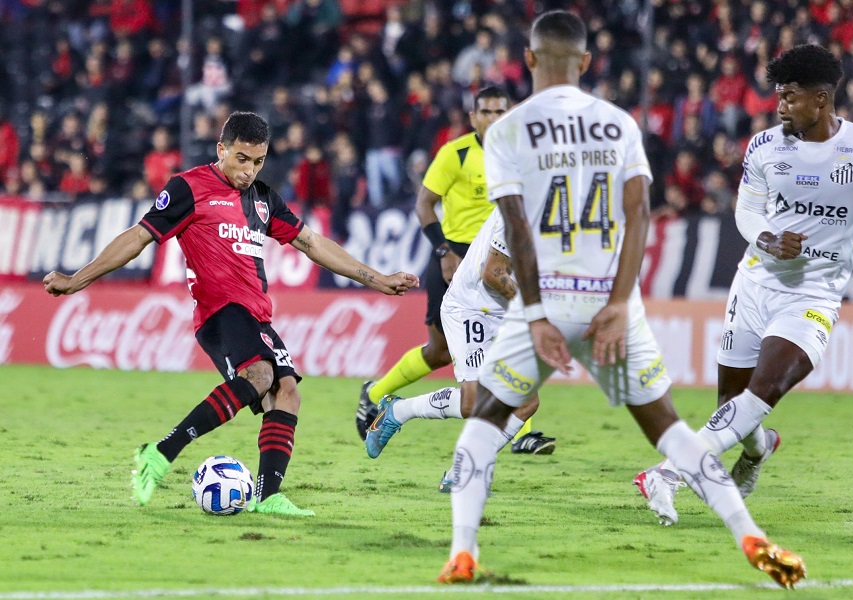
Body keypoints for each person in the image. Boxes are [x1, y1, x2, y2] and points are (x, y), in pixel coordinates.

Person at [435, 12, 806, 589]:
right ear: (585, 63)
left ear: (529, 60)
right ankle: (750, 535)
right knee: (671, 430)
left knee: (483, 424)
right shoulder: (618, 125)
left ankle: (462, 553)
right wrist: (617, 302)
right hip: (611, 298)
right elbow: (638, 217)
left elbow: (516, 236)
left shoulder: (507, 134)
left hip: (549, 296)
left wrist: (535, 315)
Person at [43, 112, 419, 516]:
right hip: (219, 312)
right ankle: (160, 452)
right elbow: (138, 237)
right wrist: (78, 279)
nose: (248, 171)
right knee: (259, 376)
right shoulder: (188, 187)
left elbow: (313, 244)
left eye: (257, 162)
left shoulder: (263, 199)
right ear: (221, 149)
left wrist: (377, 279)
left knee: (287, 393)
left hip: (257, 315)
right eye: (241, 159)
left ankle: (269, 495)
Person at [633, 44, 853, 524]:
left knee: (766, 389)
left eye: (790, 97)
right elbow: (747, 210)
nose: (779, 107)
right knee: (736, 413)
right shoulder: (765, 146)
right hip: (754, 286)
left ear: (821, 99)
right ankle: (758, 451)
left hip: (814, 294)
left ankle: (669, 472)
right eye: (778, 96)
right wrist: (768, 238)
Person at [355, 86, 556, 455]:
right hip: (460, 259)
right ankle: (380, 396)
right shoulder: (457, 154)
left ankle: (501, 444)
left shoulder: (518, 160)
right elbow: (425, 205)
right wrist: (444, 251)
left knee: (520, 390)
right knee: (441, 354)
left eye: (501, 113)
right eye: (487, 113)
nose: (494, 120)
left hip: (500, 261)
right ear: (474, 117)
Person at [365, 208, 550, 483]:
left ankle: (460, 474)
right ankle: (398, 411)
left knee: (526, 401)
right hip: (471, 308)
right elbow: (493, 272)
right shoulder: (518, 207)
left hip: (506, 313)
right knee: (472, 402)